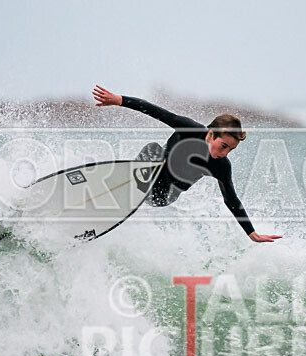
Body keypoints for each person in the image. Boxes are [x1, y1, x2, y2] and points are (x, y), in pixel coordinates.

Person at [92, 85, 282, 243]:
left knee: (155, 156)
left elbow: (231, 200)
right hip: (151, 173)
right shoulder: (189, 129)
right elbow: (154, 111)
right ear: (210, 134)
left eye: (230, 150)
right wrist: (120, 100)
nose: (224, 153)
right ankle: (122, 186)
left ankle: (125, 192)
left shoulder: (221, 166)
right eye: (223, 146)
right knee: (153, 149)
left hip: (163, 196)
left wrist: (251, 233)